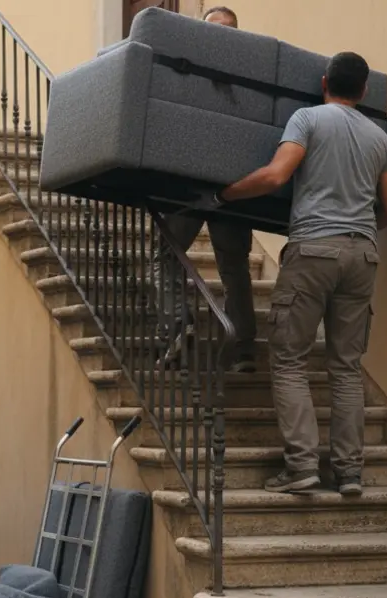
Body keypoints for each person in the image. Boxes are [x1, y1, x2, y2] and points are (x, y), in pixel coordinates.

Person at [195, 51, 387, 495]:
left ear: (325, 81)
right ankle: (349, 473)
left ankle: (302, 467)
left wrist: (223, 195)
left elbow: (275, 176)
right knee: (346, 367)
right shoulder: (380, 138)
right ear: (364, 91)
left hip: (313, 250)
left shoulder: (307, 118)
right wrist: (360, 230)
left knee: (288, 360)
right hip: (363, 255)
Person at [153, 5, 258, 374]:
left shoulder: (187, 73)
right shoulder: (254, 78)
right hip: (228, 187)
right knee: (234, 269)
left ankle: (181, 327)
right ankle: (243, 350)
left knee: (168, 257)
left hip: (197, 186)